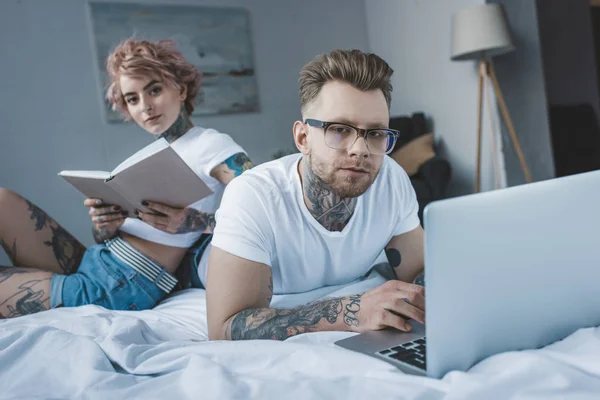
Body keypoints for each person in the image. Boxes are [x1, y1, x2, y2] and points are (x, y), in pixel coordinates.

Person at [0, 39, 252, 318]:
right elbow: (105, 237)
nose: (145, 107)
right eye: (133, 99)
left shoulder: (212, 144)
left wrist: (194, 223)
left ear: (180, 89)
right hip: (96, 260)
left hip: (122, 284)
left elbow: (261, 210)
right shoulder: (152, 155)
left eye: (154, 90)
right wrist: (106, 225)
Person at [204, 49, 426, 341]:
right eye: (339, 130)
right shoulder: (253, 195)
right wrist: (350, 311)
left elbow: (419, 271)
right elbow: (224, 327)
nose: (360, 149)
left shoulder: (391, 179)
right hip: (205, 256)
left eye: (375, 133)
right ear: (303, 138)